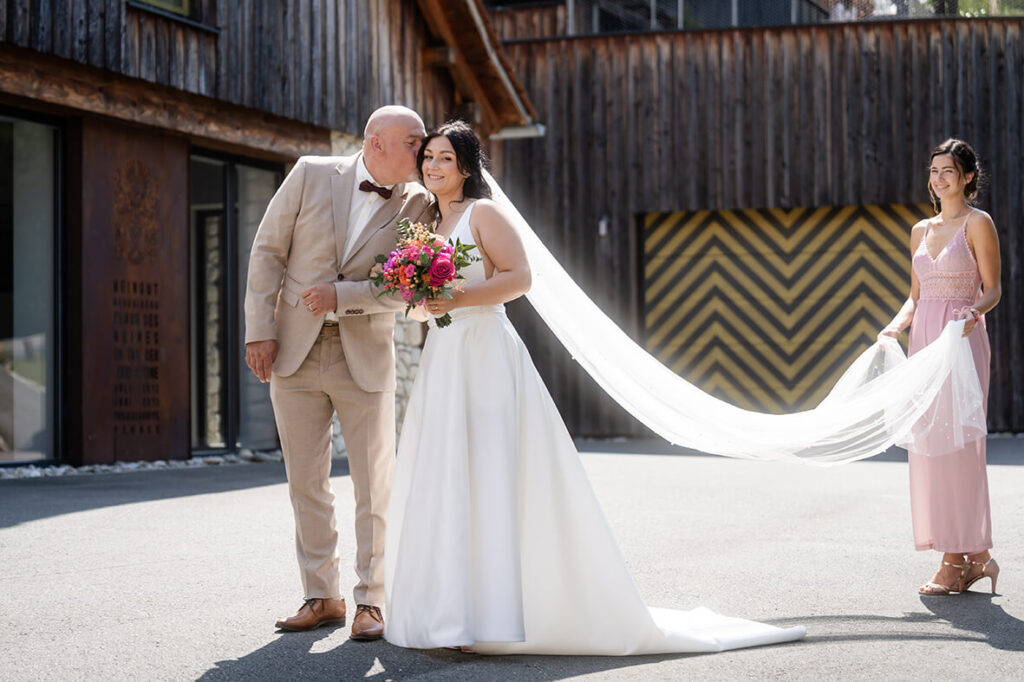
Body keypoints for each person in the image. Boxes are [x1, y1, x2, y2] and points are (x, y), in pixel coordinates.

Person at [383, 120, 805, 654]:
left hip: (485, 350)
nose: (433, 166)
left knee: (489, 472)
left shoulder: (483, 214)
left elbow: (519, 277)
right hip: (444, 354)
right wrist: (421, 300)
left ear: (466, 166)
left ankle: (492, 614)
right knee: (446, 472)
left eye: (444, 158)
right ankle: (448, 609)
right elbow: (428, 295)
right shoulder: (425, 224)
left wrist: (457, 301)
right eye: (428, 158)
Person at [244, 105, 432, 639]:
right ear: (375, 142)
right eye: (413, 141)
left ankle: (372, 600)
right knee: (306, 481)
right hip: (293, 354)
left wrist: (341, 297)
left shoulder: (420, 203)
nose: (422, 150)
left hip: (364, 355)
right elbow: (267, 252)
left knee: (375, 483)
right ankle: (320, 595)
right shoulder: (309, 172)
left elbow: (405, 288)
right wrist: (259, 329)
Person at [879, 138, 1001, 595]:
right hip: (924, 343)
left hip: (961, 341)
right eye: (933, 171)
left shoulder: (978, 223)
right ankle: (978, 558)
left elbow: (992, 289)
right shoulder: (919, 230)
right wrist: (892, 328)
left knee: (959, 448)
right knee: (930, 445)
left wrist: (974, 313)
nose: (938, 178)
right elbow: (915, 296)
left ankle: (955, 560)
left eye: (948, 171)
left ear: (968, 176)